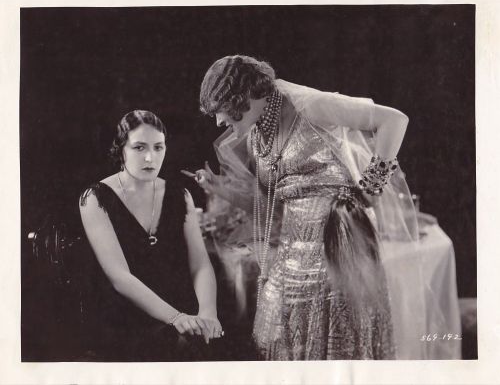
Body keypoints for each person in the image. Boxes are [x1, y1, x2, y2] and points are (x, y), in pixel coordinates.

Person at [188, 54, 419, 360]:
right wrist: (223, 190)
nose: (219, 122)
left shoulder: (306, 105)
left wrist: (370, 190)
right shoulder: (257, 136)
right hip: (291, 259)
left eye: (221, 110)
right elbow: (272, 209)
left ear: (243, 96)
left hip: (337, 253)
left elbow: (393, 120)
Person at [79, 110, 222, 361]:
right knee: (177, 346)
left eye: (158, 147)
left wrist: (208, 312)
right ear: (121, 150)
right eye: (139, 148)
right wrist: (176, 318)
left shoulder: (180, 195)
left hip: (180, 308)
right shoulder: (95, 198)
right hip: (125, 314)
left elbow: (199, 263)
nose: (150, 157)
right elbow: (119, 277)